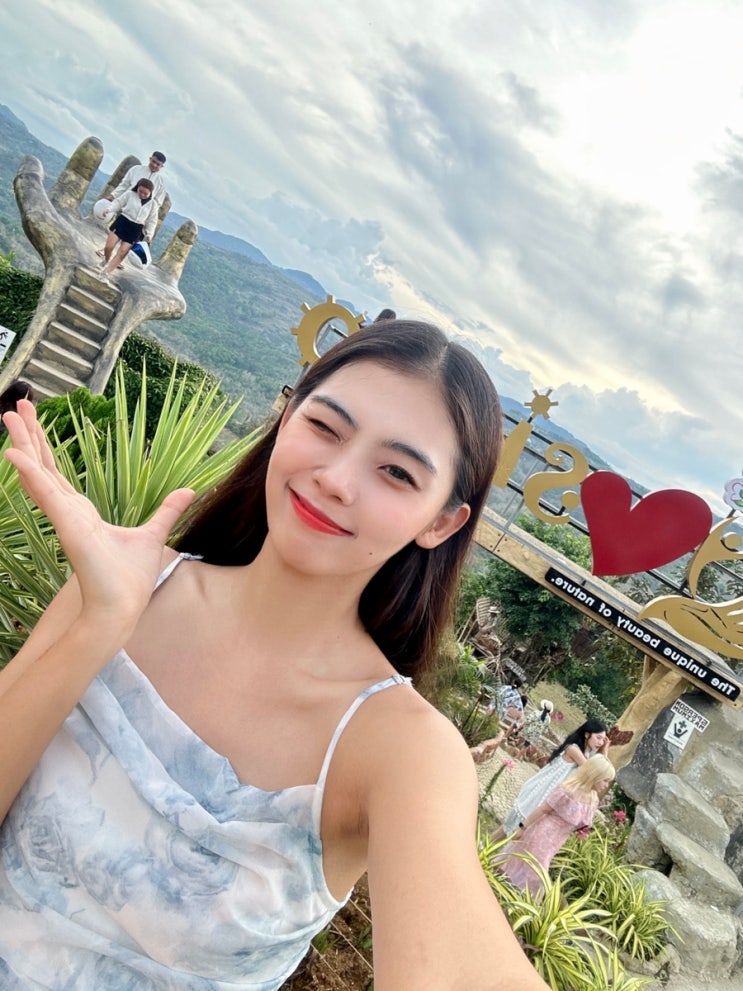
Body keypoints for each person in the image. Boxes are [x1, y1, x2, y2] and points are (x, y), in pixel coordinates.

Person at [0, 321, 550, 990]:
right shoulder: (127, 584)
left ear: (440, 522)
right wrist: (100, 624)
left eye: (396, 472)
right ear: (287, 418)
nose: (336, 479)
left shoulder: (398, 749)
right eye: (325, 427)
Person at [498, 755, 615, 895]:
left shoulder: (593, 799)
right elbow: (543, 809)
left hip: (557, 841)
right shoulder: (568, 790)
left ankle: (506, 893)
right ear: (595, 775)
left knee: (525, 866)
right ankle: (530, 904)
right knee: (537, 874)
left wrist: (582, 832)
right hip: (542, 834)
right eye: (605, 780)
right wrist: (522, 827)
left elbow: (581, 824)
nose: (606, 786)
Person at [493, 718, 610, 840]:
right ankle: (484, 847)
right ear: (587, 734)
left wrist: (603, 752)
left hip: (551, 797)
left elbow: (598, 771)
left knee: (523, 834)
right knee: (511, 827)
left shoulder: (586, 754)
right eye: (598, 738)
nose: (601, 742)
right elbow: (593, 772)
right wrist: (605, 751)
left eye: (603, 740)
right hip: (542, 791)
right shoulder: (573, 749)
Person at [98, 178, 158, 282]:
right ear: (137, 188)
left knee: (122, 252)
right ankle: (106, 260)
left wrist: (149, 235)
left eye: (145, 193)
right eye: (140, 191)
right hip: (123, 221)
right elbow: (118, 202)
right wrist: (109, 209)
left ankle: (105, 273)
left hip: (136, 228)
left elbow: (152, 221)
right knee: (109, 247)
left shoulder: (153, 205)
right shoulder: (130, 194)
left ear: (150, 193)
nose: (142, 195)